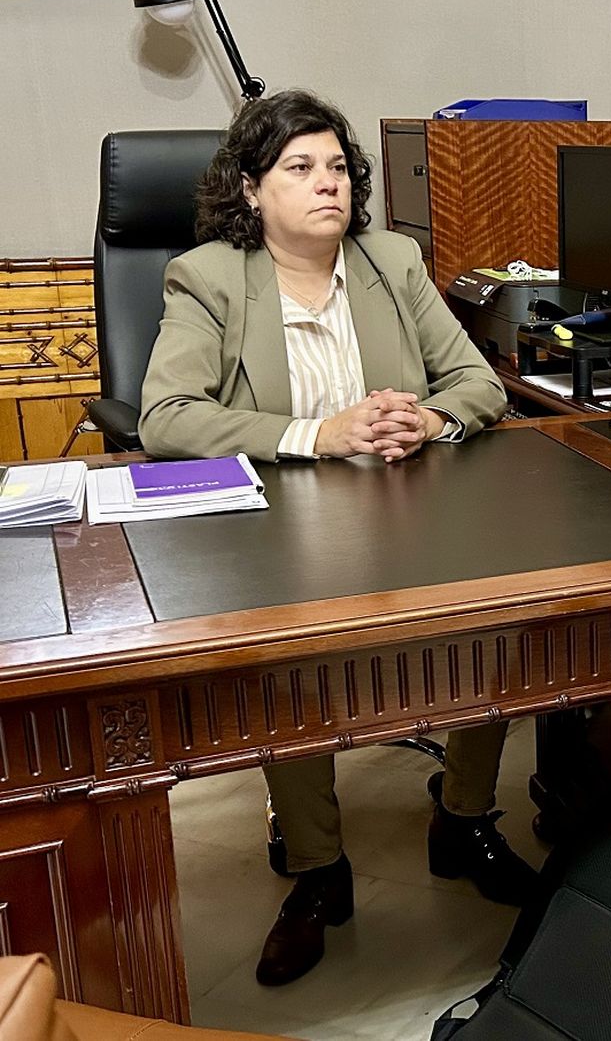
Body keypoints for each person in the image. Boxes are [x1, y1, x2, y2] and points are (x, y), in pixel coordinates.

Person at [140, 90, 529, 987]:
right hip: (278, 524)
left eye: (340, 168)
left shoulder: (392, 260)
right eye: (300, 168)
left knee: (495, 614)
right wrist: (319, 433)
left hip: (406, 511)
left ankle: (463, 818)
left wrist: (427, 420)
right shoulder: (209, 277)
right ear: (252, 191)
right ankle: (319, 872)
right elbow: (166, 417)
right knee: (293, 666)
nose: (331, 185)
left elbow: (480, 383)